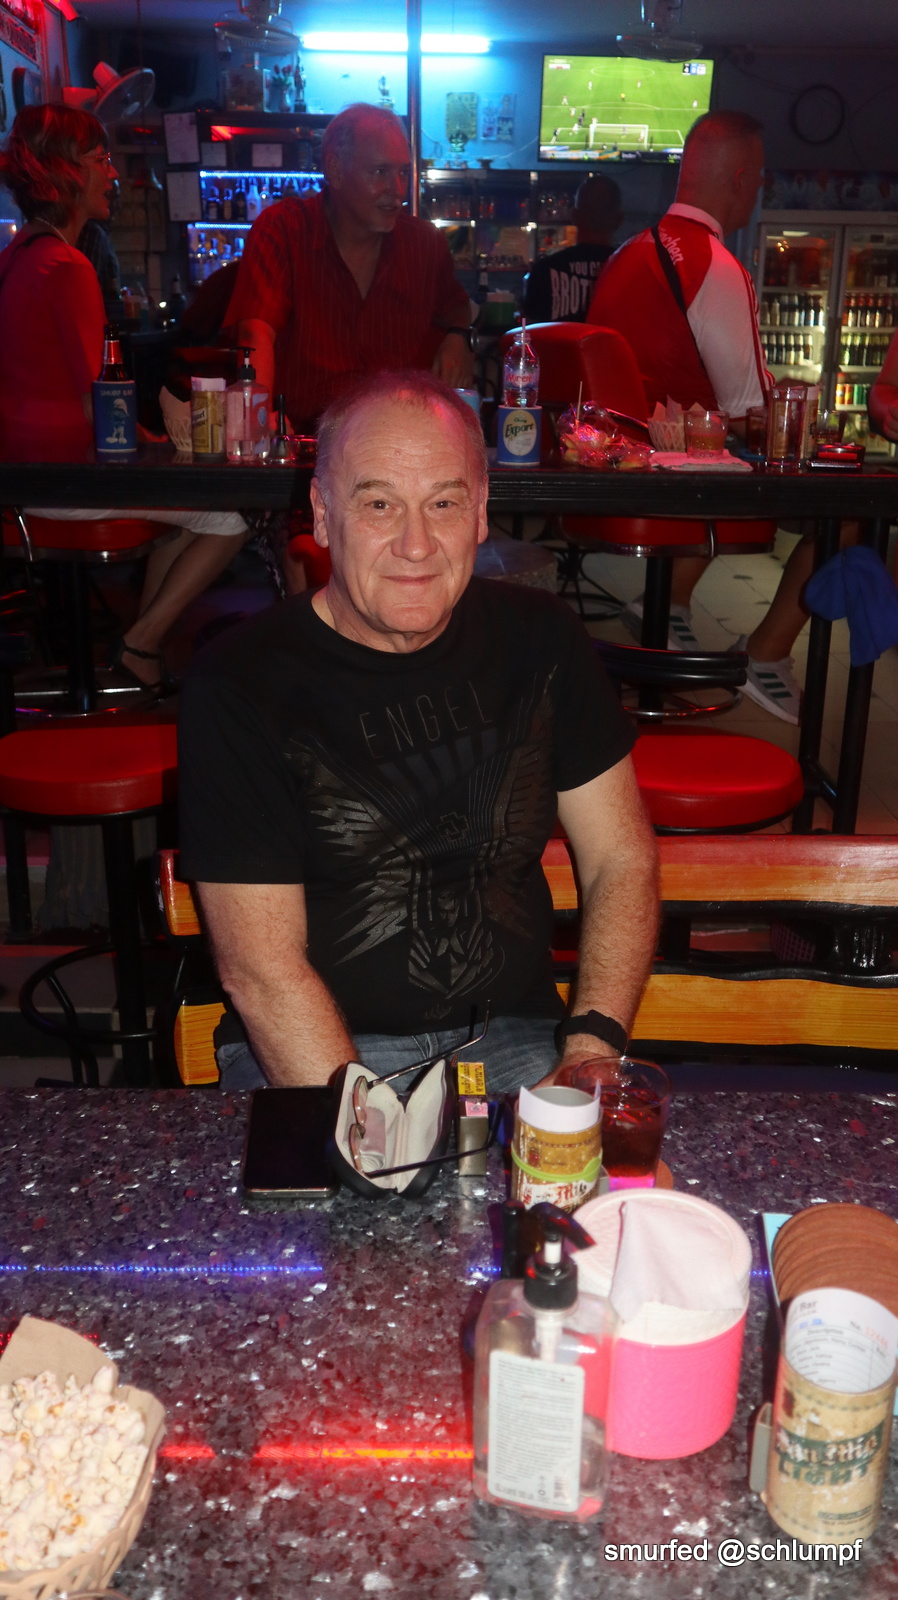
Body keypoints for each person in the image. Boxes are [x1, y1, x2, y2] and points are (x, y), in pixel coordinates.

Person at [178, 371, 659, 1093]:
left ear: (480, 513)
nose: (416, 543)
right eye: (379, 504)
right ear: (323, 514)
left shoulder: (542, 640)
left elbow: (619, 858)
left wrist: (589, 1053)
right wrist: (368, 1126)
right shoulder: (239, 683)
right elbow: (261, 971)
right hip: (316, 1050)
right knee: (346, 1175)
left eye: (443, 503)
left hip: (514, 1037)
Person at [0, 104, 250, 693]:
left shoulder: (14, 259)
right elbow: (104, 405)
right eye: (102, 159)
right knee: (232, 514)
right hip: (64, 483)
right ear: (66, 171)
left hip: (20, 480)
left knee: (184, 509)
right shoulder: (67, 266)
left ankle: (145, 648)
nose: (113, 173)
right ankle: (140, 647)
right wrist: (161, 448)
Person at [588, 110, 812, 724]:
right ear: (739, 179)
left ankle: (670, 605)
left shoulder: (628, 254)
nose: (758, 189)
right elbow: (752, 411)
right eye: (759, 178)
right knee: (846, 517)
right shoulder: (715, 265)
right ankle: (767, 654)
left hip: (611, 476)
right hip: (676, 490)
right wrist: (801, 413)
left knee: (717, 444)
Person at [225, 103, 474, 436]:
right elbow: (256, 333)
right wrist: (257, 425)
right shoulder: (284, 230)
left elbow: (457, 309)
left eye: (403, 172)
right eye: (380, 172)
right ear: (335, 170)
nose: (398, 190)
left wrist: (458, 337)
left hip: (400, 446)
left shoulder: (425, 244)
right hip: (306, 442)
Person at [523, 174, 621, 324]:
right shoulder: (633, 274)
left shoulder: (543, 270)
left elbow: (528, 332)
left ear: (574, 215)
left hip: (554, 341)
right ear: (619, 220)